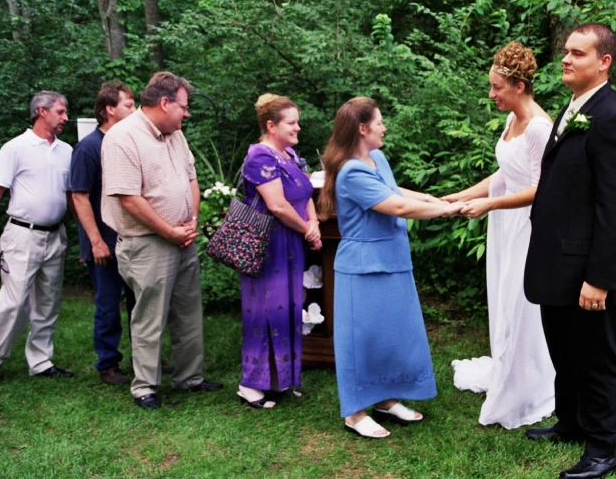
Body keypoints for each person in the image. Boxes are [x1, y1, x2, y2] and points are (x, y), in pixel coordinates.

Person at [523, 23, 616, 479]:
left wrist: (599, 278)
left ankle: (603, 449)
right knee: (566, 351)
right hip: (561, 261)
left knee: (598, 358)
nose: (566, 59)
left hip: (592, 269)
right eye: (566, 52)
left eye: (578, 53)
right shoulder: (575, 107)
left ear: (604, 62)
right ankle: (572, 423)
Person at [318, 97, 464, 438]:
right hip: (363, 266)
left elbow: (395, 190)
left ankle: (384, 400)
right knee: (362, 339)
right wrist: (448, 212)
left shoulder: (377, 157)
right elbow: (396, 205)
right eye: (380, 122)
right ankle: (354, 413)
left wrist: (435, 199)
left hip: (392, 259)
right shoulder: (351, 171)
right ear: (362, 128)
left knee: (391, 335)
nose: (385, 127)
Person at [446, 42, 556, 429]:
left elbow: (544, 188)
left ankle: (527, 385)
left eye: (497, 88)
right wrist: (465, 194)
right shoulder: (512, 121)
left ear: (520, 86)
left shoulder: (541, 128)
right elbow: (506, 173)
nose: (491, 94)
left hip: (528, 227)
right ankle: (511, 369)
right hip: (506, 225)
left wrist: (491, 205)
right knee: (504, 300)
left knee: (520, 304)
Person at [101, 71, 223, 409]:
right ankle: (145, 387)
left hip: (182, 238)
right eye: (183, 107)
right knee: (150, 316)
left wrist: (191, 221)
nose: (187, 113)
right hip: (147, 243)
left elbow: (191, 179)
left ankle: (190, 378)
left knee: (187, 311)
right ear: (165, 102)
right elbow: (128, 198)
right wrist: (168, 231)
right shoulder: (122, 138)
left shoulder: (175, 135)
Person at [0, 91, 74, 385]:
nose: (65, 118)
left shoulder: (66, 151)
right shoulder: (15, 148)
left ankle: (41, 361)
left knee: (48, 301)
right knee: (14, 302)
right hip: (22, 235)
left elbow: (72, 196)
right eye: (60, 112)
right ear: (41, 111)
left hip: (55, 235)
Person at [236, 94, 321, 409]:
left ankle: (278, 380)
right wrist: (307, 228)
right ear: (271, 126)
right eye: (292, 122)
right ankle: (250, 383)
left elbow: (305, 191)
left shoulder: (288, 153)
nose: (298, 127)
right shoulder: (260, 157)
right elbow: (277, 205)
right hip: (268, 244)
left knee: (287, 308)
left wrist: (312, 221)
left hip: (291, 241)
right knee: (264, 311)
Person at [70, 81, 137, 385]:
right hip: (104, 244)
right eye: (128, 104)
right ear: (109, 109)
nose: (134, 109)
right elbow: (79, 196)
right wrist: (96, 242)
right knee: (109, 306)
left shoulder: (129, 143)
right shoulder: (88, 147)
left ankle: (145, 357)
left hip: (133, 239)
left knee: (140, 303)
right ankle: (108, 365)